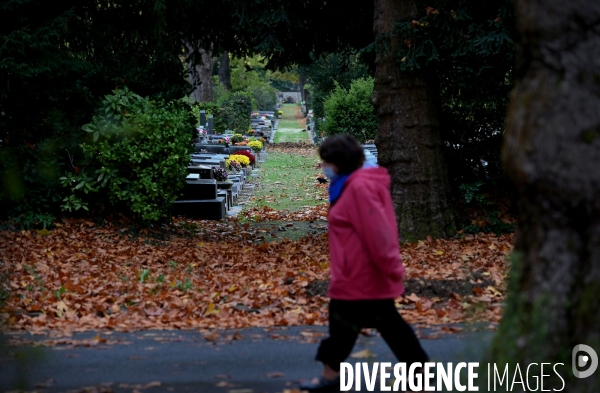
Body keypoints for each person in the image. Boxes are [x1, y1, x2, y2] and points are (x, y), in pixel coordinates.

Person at [300, 134, 429, 392]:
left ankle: (330, 377)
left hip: (363, 274)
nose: (323, 166)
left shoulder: (359, 188)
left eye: (326, 161)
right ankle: (331, 377)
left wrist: (392, 268)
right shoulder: (350, 185)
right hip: (357, 272)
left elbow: (378, 233)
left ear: (338, 163)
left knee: (357, 323)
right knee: (362, 325)